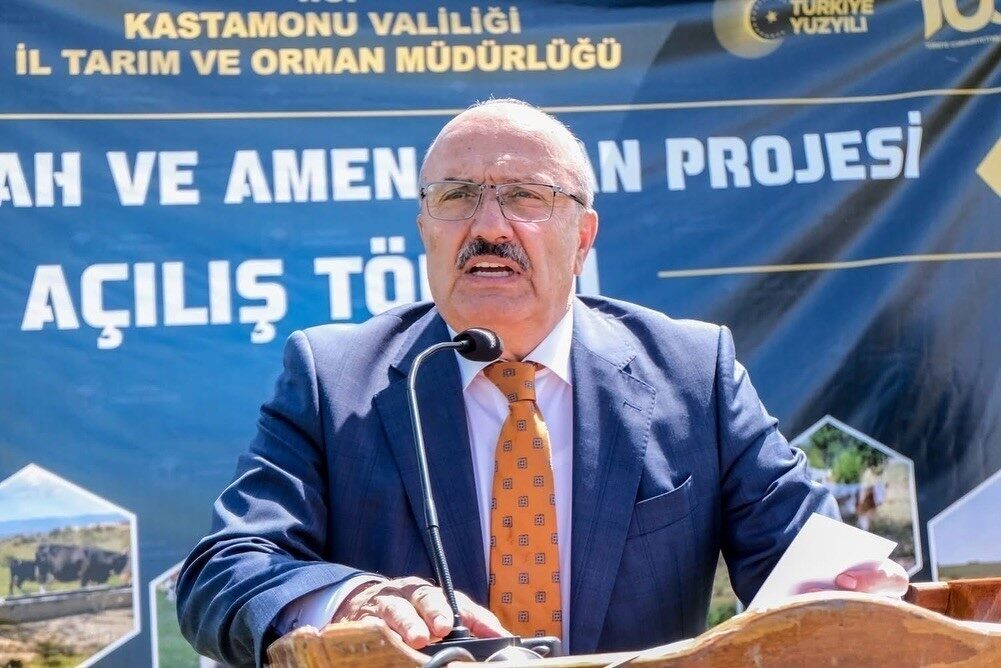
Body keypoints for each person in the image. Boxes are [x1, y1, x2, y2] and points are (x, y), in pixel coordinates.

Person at [176, 99, 908, 666]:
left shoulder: (692, 373)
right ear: (425, 228)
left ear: (582, 238)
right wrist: (352, 599)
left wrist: (854, 592)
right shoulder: (334, 379)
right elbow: (222, 571)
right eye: (457, 196)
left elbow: (808, 563)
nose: (489, 226)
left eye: (526, 196)